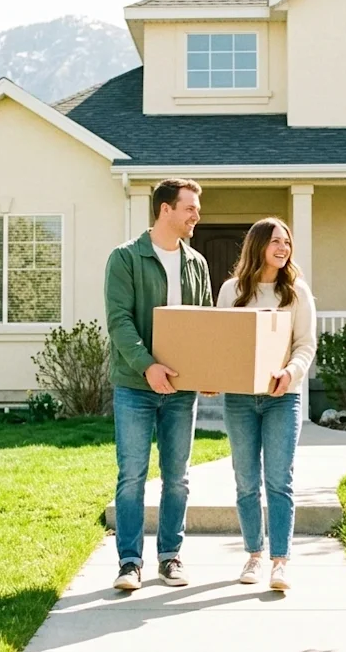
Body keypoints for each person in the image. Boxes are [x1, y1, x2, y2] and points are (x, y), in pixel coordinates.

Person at [103, 178, 213, 591]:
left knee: (178, 476)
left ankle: (171, 557)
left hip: (182, 390)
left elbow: (203, 325)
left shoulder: (196, 263)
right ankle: (130, 562)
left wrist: (207, 373)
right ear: (165, 209)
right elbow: (119, 321)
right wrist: (148, 365)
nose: (196, 216)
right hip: (135, 384)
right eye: (190, 208)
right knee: (132, 474)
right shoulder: (126, 258)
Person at [215, 217, 316, 591]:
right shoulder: (231, 291)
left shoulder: (297, 293)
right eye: (275, 241)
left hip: (282, 398)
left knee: (279, 481)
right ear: (257, 245)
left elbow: (306, 344)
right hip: (240, 398)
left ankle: (280, 561)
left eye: (286, 242)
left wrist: (290, 372)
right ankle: (254, 555)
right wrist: (213, 377)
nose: (283, 247)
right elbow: (221, 344)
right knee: (245, 481)